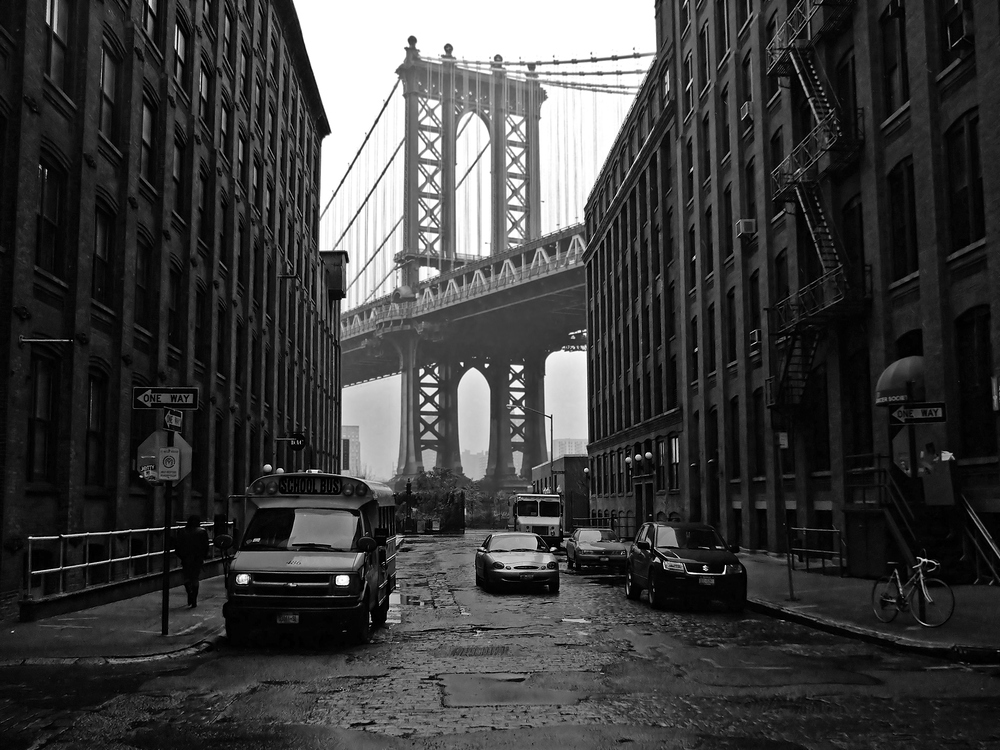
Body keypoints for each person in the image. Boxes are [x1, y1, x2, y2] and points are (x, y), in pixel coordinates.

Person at [175, 515, 210, 608]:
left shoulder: (182, 532)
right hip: (197, 559)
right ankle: (193, 597)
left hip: (186, 558)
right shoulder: (202, 532)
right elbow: (206, 546)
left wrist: (182, 556)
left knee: (187, 577)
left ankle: (189, 593)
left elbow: (177, 546)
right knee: (195, 578)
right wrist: (203, 557)